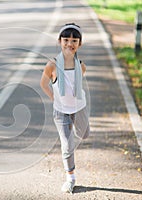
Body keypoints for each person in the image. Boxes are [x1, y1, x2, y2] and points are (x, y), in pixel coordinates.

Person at [40, 23, 90, 193]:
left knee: (84, 134)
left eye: (74, 40)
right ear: (60, 41)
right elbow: (43, 83)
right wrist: (55, 98)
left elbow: (76, 85)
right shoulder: (52, 65)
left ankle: (75, 127)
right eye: (66, 39)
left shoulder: (81, 66)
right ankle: (71, 178)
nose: (70, 43)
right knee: (67, 145)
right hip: (60, 112)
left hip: (79, 107)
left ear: (79, 44)